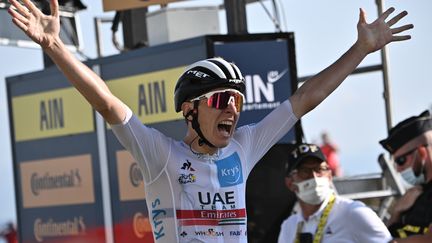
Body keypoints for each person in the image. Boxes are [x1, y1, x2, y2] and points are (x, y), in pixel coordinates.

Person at [7, 0, 413, 242]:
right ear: (189, 110)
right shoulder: (159, 155)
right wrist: (55, 45)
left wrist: (361, 49)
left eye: (237, 100)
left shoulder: (244, 146)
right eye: (220, 100)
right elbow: (107, 103)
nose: (232, 109)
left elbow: (306, 97)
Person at [277, 143, 392, 243]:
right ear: (290, 183)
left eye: (320, 169)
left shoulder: (354, 213)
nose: (314, 177)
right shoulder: (289, 226)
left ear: (330, 175)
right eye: (305, 171)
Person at [380, 110, 432, 242]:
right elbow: (389, 236)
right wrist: (396, 212)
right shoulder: (416, 194)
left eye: (401, 161)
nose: (398, 169)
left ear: (421, 152)